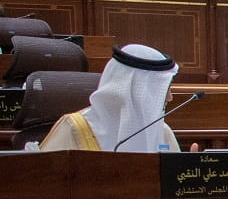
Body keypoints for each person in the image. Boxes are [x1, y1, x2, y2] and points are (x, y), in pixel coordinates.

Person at [39, 44, 189, 152]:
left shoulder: (161, 131)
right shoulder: (74, 128)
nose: (170, 98)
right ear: (136, 90)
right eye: (164, 89)